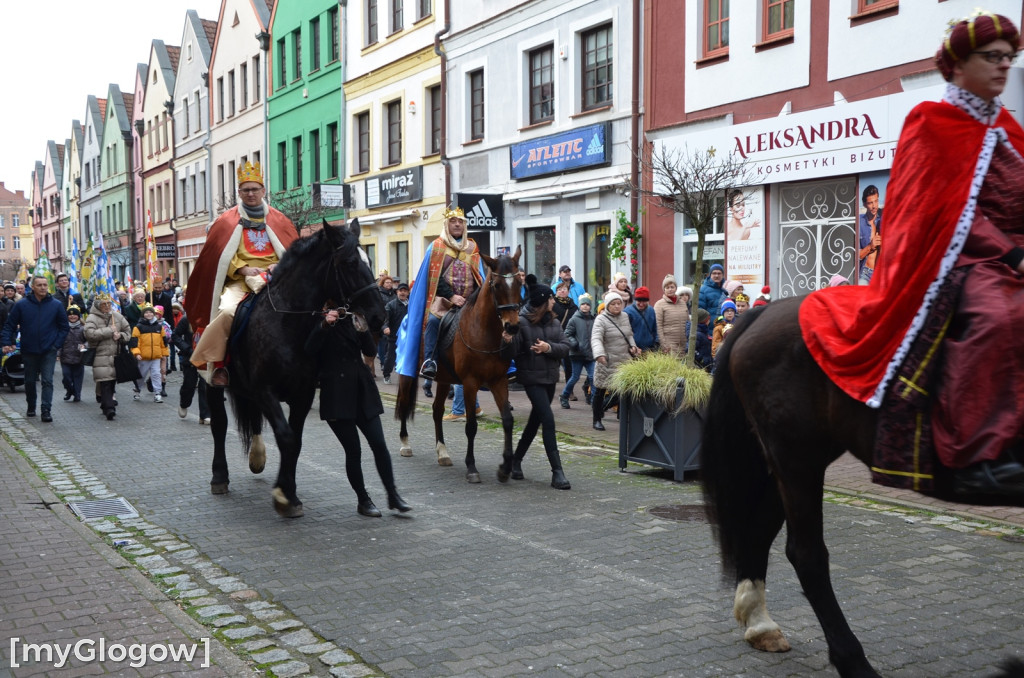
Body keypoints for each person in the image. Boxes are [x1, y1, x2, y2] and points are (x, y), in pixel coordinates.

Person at [800, 11, 1024, 498]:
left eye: (1010, 57)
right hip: (961, 259)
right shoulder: (931, 121)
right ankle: (975, 453)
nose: (1004, 66)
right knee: (1001, 315)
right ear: (960, 64)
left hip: (1012, 252)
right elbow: (937, 209)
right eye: (993, 57)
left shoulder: (1008, 125)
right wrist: (1010, 255)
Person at [186, 162, 298, 387]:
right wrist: (242, 268)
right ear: (239, 193)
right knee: (227, 312)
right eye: (246, 190)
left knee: (304, 310)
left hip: (275, 281)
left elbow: (294, 251)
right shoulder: (225, 221)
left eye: (255, 189)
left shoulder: (280, 220)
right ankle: (219, 365)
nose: (251, 194)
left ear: (263, 191)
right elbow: (215, 256)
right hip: (240, 282)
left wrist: (282, 265)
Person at [306, 303, 411, 516]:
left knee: (380, 445)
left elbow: (371, 352)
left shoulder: (352, 317)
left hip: (362, 390)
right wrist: (325, 324)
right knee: (353, 450)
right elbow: (308, 350)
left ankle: (393, 495)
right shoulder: (316, 316)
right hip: (336, 393)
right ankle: (363, 500)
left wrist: (363, 329)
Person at [395, 206, 483, 382]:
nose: (457, 225)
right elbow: (433, 277)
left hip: (469, 300)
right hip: (443, 300)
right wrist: (451, 296)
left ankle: (502, 362)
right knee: (434, 321)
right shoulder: (436, 246)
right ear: (446, 225)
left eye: (460, 222)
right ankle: (430, 361)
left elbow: (478, 275)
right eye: (453, 221)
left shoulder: (472, 247)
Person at [501, 283, 572, 489]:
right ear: (543, 301)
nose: (553, 301)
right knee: (548, 420)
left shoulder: (554, 322)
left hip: (550, 378)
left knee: (535, 421)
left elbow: (566, 347)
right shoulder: (522, 322)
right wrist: (507, 341)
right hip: (532, 379)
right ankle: (557, 472)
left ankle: (516, 460)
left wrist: (548, 347)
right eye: (550, 298)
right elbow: (511, 354)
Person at [1, 275, 69, 421]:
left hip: (48, 349)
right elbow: (10, 325)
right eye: (39, 285)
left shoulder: (56, 305)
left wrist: (56, 345)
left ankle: (46, 410)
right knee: (30, 380)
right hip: (29, 349)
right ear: (33, 287)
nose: (43, 287)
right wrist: (6, 342)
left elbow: (64, 327)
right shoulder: (22, 305)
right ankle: (31, 405)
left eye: (45, 285)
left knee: (47, 380)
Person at [590, 291, 640, 431]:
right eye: (614, 304)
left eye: (619, 303)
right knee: (600, 391)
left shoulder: (625, 316)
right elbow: (596, 338)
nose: (617, 306)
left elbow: (629, 335)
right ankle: (597, 419)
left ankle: (612, 412)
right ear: (607, 305)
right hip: (607, 360)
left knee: (622, 391)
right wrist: (599, 354)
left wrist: (634, 347)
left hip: (624, 359)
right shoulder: (601, 319)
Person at [83, 293, 131, 420]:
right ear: (98, 305)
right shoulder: (92, 318)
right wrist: (109, 331)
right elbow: (89, 334)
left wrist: (120, 335)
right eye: (104, 304)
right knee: (105, 382)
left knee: (111, 382)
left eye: (109, 304)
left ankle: (105, 404)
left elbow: (128, 331)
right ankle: (110, 408)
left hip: (116, 355)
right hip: (100, 355)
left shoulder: (117, 316)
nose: (107, 306)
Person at [171, 304, 210, 424]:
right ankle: (184, 403)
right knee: (189, 384)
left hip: (205, 357)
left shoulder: (211, 318)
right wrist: (187, 349)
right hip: (190, 356)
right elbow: (175, 336)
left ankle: (204, 415)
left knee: (205, 386)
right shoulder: (186, 320)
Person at [561, 292, 595, 409]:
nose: (585, 306)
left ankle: (595, 401)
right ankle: (565, 396)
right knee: (575, 377)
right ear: (579, 305)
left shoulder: (593, 319)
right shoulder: (574, 319)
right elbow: (567, 334)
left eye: (587, 304)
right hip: (577, 353)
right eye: (583, 304)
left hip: (590, 354)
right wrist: (574, 343)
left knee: (593, 377)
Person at [130, 306, 168, 403]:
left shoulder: (159, 327)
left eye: (150, 312)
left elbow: (163, 343)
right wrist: (137, 353)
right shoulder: (138, 327)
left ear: (154, 314)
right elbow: (134, 342)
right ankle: (137, 389)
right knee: (141, 375)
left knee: (156, 375)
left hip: (156, 357)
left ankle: (157, 393)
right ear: (143, 315)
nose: (149, 314)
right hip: (143, 357)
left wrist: (164, 354)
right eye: (146, 313)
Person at [655, 274, 690, 357]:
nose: (670, 289)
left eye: (672, 287)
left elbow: (688, 322)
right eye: (667, 288)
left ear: (676, 288)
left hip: (683, 344)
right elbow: (658, 326)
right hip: (669, 345)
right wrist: (663, 345)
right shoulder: (659, 305)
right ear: (664, 289)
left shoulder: (682, 303)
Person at [381, 282, 409, 384]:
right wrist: (385, 327)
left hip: (408, 337)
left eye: (405, 291)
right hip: (394, 337)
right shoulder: (391, 305)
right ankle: (387, 374)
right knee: (390, 357)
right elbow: (385, 319)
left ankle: (405, 376)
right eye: (401, 291)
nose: (403, 293)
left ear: (408, 293)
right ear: (397, 292)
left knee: (407, 357)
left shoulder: (411, 305)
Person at [551, 280, 578, 387]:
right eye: (559, 289)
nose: (562, 291)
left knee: (568, 364)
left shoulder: (573, 306)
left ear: (568, 291)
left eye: (564, 289)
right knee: (554, 362)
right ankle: (550, 384)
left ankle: (569, 389)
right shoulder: (552, 304)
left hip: (567, 337)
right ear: (556, 291)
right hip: (554, 337)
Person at [59, 305, 87, 403]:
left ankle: (77, 394)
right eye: (70, 315)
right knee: (66, 376)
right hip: (65, 356)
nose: (72, 317)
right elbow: (59, 341)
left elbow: (89, 340)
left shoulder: (83, 328)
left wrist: (85, 346)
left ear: (78, 316)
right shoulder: (63, 327)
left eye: (75, 314)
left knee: (77, 377)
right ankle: (69, 390)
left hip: (79, 356)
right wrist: (58, 352)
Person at [858, 185, 883, 285]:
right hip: (865, 273)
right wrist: (870, 246)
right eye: (870, 203)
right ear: (864, 204)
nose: (874, 206)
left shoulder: (883, 220)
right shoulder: (859, 222)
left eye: (876, 201)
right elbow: (855, 257)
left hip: (880, 275)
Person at [624, 286, 659, 351]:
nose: (641, 304)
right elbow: (626, 333)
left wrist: (656, 342)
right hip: (634, 349)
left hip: (650, 348)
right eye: (639, 301)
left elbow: (655, 328)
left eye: (644, 301)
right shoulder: (627, 312)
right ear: (635, 300)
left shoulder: (651, 310)